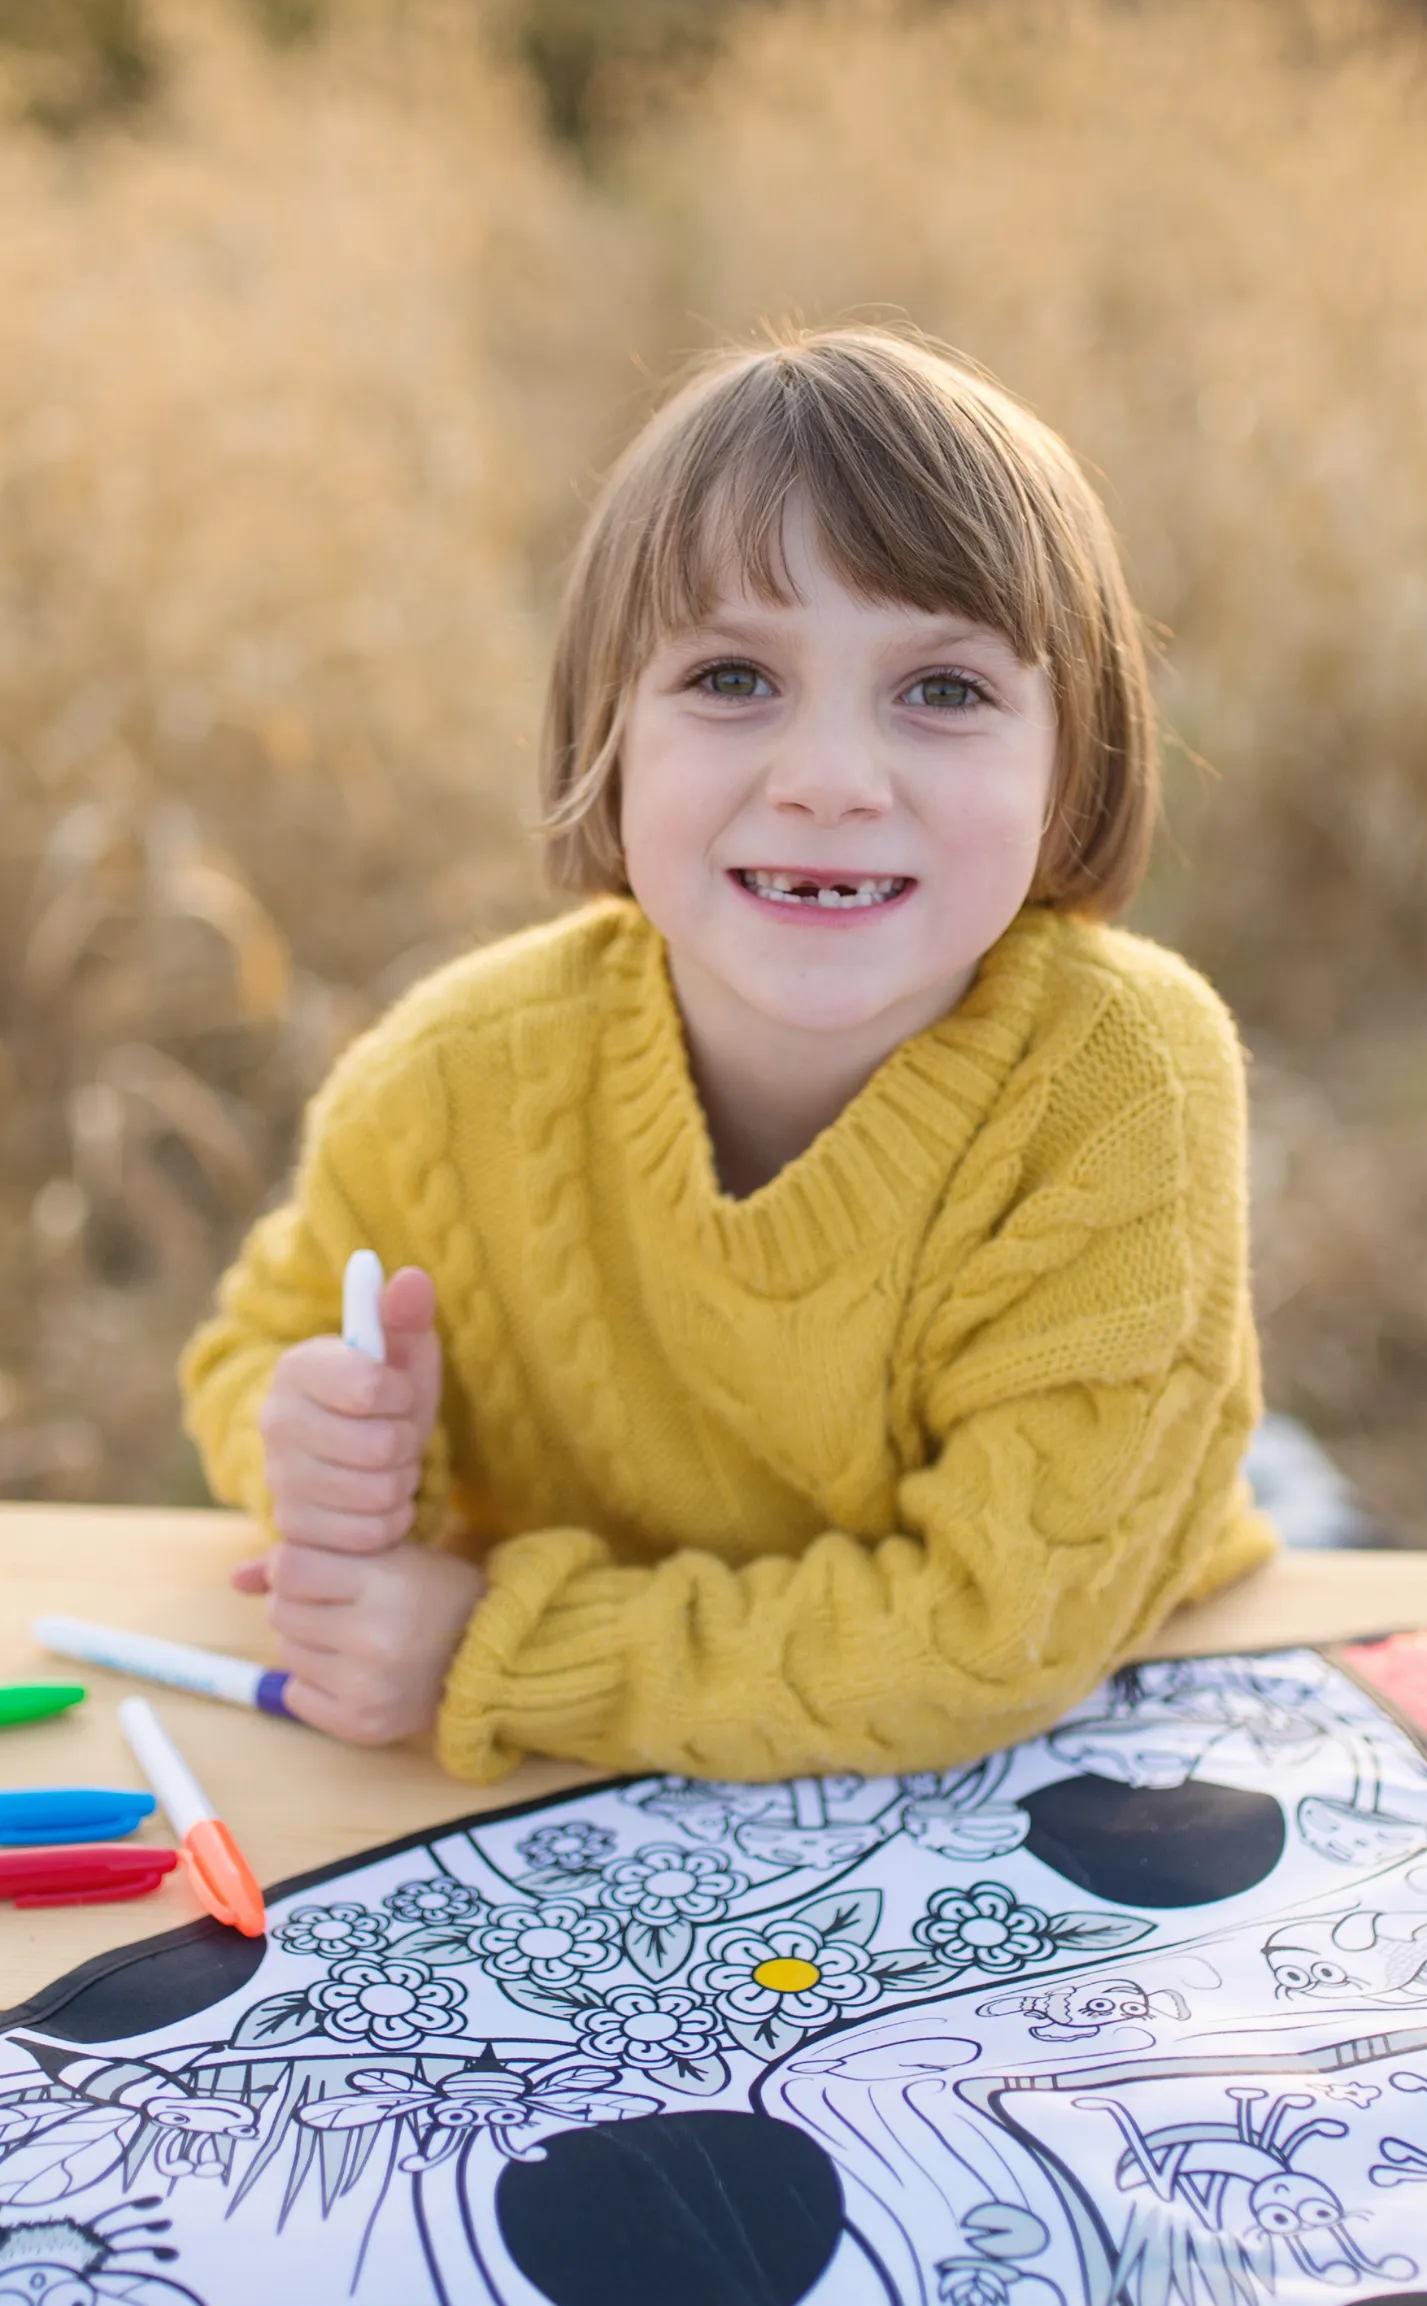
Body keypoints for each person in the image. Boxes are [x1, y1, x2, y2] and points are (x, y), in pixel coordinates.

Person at [181, 325, 1277, 1784]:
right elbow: (260, 1339)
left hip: (1071, 1755)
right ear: (608, 728)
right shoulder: (450, 1075)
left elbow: (989, 1637)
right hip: (590, 1807)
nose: (828, 781)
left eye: (942, 690)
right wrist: (302, 1436)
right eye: (732, 679)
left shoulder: (1119, 1080)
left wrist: (488, 1645)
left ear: (1075, 754)